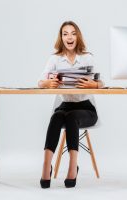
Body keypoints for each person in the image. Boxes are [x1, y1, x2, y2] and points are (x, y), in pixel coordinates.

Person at [38, 21, 103, 188]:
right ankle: (46, 166)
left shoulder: (87, 57)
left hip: (86, 108)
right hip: (65, 106)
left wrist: (94, 85)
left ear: (78, 36)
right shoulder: (55, 59)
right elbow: (40, 82)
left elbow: (102, 83)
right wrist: (47, 83)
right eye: (65, 33)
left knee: (71, 117)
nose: (69, 37)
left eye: (73, 33)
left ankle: (73, 166)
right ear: (61, 37)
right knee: (57, 116)